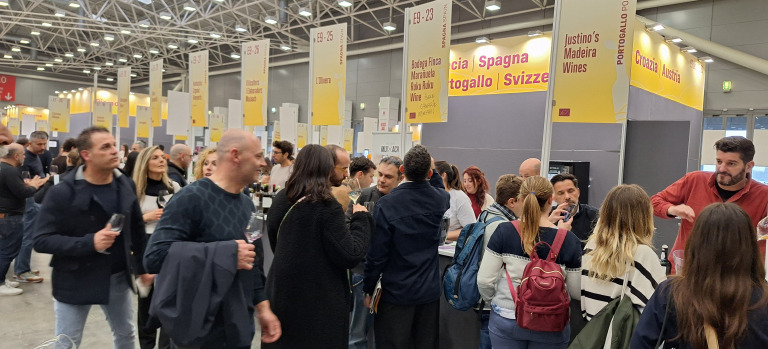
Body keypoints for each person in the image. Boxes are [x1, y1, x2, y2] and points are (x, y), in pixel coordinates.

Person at [144, 129, 281, 348]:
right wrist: (225, 254)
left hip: (237, 327)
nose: (263, 163)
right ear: (235, 155)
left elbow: (253, 263)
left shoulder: (247, 205)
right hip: (198, 328)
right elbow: (154, 257)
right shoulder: (190, 198)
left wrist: (263, 309)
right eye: (257, 155)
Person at [33, 126, 150, 349]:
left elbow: (136, 229)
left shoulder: (125, 184)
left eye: (114, 145)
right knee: (67, 342)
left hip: (116, 278)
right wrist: (90, 242)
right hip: (74, 278)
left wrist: (142, 269)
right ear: (86, 155)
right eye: (105, 147)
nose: (115, 151)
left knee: (126, 334)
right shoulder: (63, 192)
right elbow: (41, 240)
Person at [265, 144, 373, 349]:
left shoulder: (282, 197)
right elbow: (350, 254)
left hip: (282, 293)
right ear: (326, 168)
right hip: (318, 302)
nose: (345, 174)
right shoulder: (325, 206)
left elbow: (275, 241)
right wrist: (360, 216)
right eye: (342, 168)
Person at [631, 203, 768, 348]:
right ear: (749, 246)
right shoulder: (763, 298)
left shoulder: (671, 293)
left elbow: (639, 344)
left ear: (696, 243)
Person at [477, 176, 581, 349]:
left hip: (508, 317)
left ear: (521, 200)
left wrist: (498, 301)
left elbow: (484, 280)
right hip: (552, 322)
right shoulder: (569, 240)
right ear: (551, 200)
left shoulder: (504, 231)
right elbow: (576, 291)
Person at [363, 145, 450, 349]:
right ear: (429, 172)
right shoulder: (440, 199)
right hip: (428, 292)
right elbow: (439, 187)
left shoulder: (387, 205)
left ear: (402, 171)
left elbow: (377, 255)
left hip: (396, 292)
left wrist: (368, 288)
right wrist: (434, 170)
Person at [651, 136, 768, 272]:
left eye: (731, 164)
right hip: (686, 271)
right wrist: (672, 209)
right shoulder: (694, 180)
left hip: (733, 278)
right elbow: (654, 202)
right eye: (719, 161)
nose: (722, 168)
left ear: (748, 166)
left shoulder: (764, 195)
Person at [580, 184, 666, 320]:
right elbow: (660, 307)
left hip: (593, 334)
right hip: (622, 338)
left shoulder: (591, 245)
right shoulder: (642, 254)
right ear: (643, 217)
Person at [346, 155, 402, 349]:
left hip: (392, 278)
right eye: (380, 174)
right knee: (357, 334)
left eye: (388, 176)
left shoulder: (402, 202)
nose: (381, 180)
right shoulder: (361, 195)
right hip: (362, 273)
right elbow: (346, 227)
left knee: (386, 335)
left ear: (400, 179)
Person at [133, 146, 181, 349]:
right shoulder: (134, 190)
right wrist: (145, 217)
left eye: (163, 157)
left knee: (169, 302)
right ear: (145, 162)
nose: (161, 161)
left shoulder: (175, 188)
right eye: (155, 158)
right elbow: (123, 223)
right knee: (147, 306)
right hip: (144, 246)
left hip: (169, 246)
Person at [476, 174, 523, 349]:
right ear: (512, 202)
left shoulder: (486, 214)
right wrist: (493, 298)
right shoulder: (502, 227)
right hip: (492, 301)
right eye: (522, 200)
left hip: (484, 298)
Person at [0, 143, 46, 296]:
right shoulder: (11, 171)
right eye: (23, 154)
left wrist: (25, 185)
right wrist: (33, 186)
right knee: (7, 251)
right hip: (10, 218)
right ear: (16, 156)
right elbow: (22, 193)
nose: (25, 157)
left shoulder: (3, 169)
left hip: (5, 216)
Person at [16, 130, 49, 283]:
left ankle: (24, 267)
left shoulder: (36, 157)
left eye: (44, 144)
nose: (43, 147)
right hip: (28, 200)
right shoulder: (24, 159)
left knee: (29, 235)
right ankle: (22, 271)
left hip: (34, 200)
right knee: (27, 236)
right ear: (30, 143)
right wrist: (47, 180)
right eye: (39, 144)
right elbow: (27, 184)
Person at [549, 173, 599, 248]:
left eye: (570, 191)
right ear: (554, 198)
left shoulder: (594, 216)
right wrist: (550, 226)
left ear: (578, 192)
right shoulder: (548, 217)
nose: (567, 197)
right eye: (561, 193)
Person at [435, 161, 475, 241]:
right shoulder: (432, 194)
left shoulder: (459, 197)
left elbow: (471, 228)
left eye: (433, 174)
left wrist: (441, 235)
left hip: (450, 249)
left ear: (443, 175)